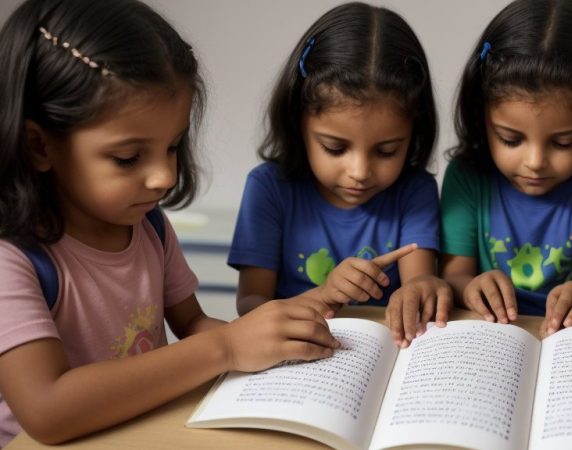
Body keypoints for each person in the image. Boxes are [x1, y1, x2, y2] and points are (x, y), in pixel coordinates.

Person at [0, 0, 339, 445]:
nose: (165, 176)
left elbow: (192, 323)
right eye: (128, 157)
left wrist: (266, 342)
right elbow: (47, 411)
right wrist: (228, 347)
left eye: (173, 146)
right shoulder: (14, 260)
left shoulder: (149, 228)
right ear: (39, 146)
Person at [228, 2, 445, 348]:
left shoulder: (414, 191)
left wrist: (424, 289)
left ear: (414, 132)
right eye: (335, 148)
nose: (360, 172)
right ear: (298, 123)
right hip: (292, 353)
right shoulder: (269, 188)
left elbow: (418, 283)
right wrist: (326, 293)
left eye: (386, 151)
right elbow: (251, 304)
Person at [440, 0, 572, 337]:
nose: (535, 162)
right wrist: (471, 287)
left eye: (562, 143)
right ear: (482, 118)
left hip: (566, 337)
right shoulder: (468, 178)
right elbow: (454, 275)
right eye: (511, 139)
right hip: (488, 334)